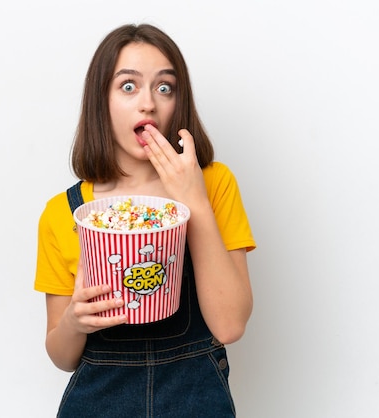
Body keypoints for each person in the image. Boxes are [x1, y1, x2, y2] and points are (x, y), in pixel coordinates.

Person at [34, 23, 256, 417]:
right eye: (128, 86)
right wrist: (74, 321)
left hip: (195, 398)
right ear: (101, 101)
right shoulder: (62, 212)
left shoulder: (215, 184)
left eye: (164, 87)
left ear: (178, 103)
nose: (149, 104)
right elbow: (61, 356)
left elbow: (229, 326)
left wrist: (194, 201)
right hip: (99, 400)